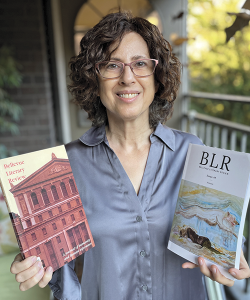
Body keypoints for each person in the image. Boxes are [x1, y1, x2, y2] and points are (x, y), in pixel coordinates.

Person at [10, 11, 250, 300]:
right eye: (112, 65)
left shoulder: (191, 151)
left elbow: (219, 235)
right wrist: (37, 262)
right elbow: (63, 269)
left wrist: (231, 257)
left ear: (157, 76)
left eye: (139, 64)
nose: (127, 77)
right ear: (94, 79)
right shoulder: (66, 165)